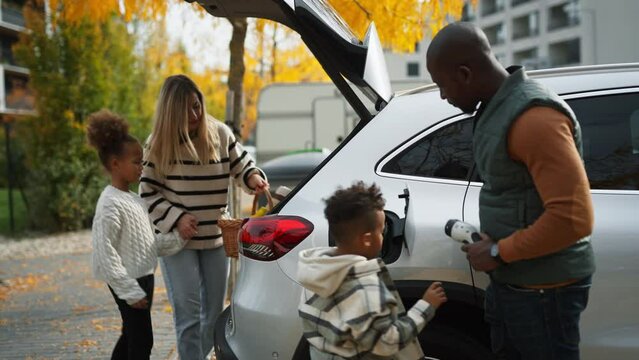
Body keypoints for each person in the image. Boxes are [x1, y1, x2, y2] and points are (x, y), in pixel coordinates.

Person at [426, 22, 595, 360]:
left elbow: (573, 219)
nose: (444, 96)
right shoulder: (496, 108)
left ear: (464, 73)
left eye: (442, 86)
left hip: (543, 293)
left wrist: (497, 252)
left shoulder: (534, 118)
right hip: (518, 287)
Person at [140, 74, 269, 360]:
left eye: (197, 106)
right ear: (171, 113)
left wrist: (254, 178)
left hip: (215, 241)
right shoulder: (158, 143)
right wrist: (177, 218)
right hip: (177, 243)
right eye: (186, 110)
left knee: (212, 315)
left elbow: (243, 166)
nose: (195, 114)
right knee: (188, 317)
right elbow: (147, 192)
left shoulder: (220, 133)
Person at [297, 181, 447, 359]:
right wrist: (426, 306)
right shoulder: (365, 288)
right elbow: (388, 343)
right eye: (381, 231)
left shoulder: (315, 274)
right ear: (367, 239)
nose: (383, 237)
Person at [87, 110, 186, 360]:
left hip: (144, 277)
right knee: (143, 341)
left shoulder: (134, 200)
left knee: (130, 336)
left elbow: (148, 243)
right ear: (115, 164)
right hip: (129, 280)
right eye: (136, 162)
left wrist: (180, 237)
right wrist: (129, 290)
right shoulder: (109, 204)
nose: (141, 167)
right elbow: (104, 253)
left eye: (142, 161)